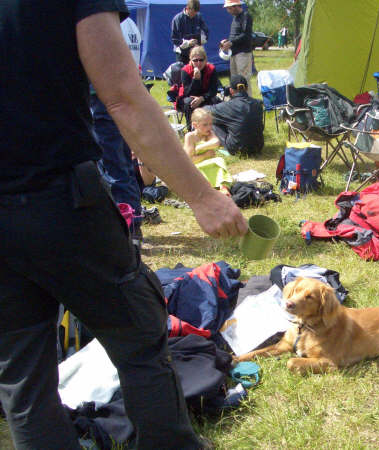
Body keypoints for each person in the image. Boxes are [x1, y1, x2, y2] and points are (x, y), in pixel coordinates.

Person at [0, 2, 247, 450]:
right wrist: (202, 197)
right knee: (138, 335)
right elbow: (121, 96)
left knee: (24, 378)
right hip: (59, 198)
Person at [91, 16, 144, 246]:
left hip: (104, 98)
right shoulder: (130, 25)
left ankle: (128, 228)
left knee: (114, 166)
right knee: (123, 164)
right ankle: (133, 222)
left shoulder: (101, 20)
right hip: (122, 96)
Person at [205, 75, 264, 155]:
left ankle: (210, 142)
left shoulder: (228, 106)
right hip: (258, 146)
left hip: (237, 149)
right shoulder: (258, 103)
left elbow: (206, 110)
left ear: (231, 90)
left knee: (212, 121)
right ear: (246, 88)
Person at [178, 45, 220, 131]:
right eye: (195, 60)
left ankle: (215, 128)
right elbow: (187, 92)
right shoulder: (185, 71)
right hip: (190, 96)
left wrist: (202, 98)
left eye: (201, 60)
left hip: (206, 96)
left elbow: (213, 90)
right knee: (189, 102)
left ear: (205, 60)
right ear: (191, 60)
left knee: (216, 101)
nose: (198, 63)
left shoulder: (211, 69)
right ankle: (191, 129)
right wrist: (195, 79)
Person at [220, 0, 254, 97]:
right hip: (234, 53)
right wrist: (227, 42)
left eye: (229, 8)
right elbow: (235, 35)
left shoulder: (246, 16)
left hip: (243, 53)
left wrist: (231, 42)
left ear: (235, 6)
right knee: (235, 80)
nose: (228, 11)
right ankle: (236, 100)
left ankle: (247, 101)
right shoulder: (235, 18)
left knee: (243, 79)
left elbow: (246, 35)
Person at [171, 0, 209, 64]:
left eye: (196, 13)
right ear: (187, 8)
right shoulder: (178, 19)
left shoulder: (198, 17)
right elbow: (175, 39)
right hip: (182, 54)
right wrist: (188, 43)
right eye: (193, 13)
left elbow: (205, 32)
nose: (194, 15)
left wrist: (200, 41)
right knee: (182, 70)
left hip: (196, 53)